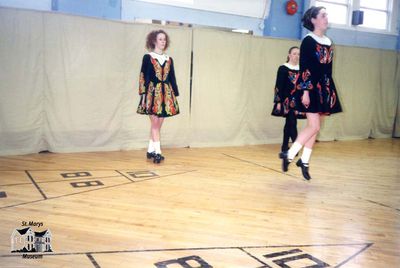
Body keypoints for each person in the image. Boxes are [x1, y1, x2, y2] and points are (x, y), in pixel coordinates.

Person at [281, 6, 342, 180]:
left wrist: (329, 91)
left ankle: (305, 160)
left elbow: (328, 69)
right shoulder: (308, 40)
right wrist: (306, 91)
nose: (326, 18)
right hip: (311, 88)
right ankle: (290, 154)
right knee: (314, 126)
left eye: (326, 15)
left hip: (324, 88)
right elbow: (305, 67)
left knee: (315, 127)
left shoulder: (329, 42)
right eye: (323, 15)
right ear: (313, 20)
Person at [137, 30, 180, 164]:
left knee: (157, 125)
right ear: (154, 41)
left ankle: (150, 150)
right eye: (160, 39)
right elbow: (143, 76)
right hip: (152, 94)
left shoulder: (169, 59)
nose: (163, 42)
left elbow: (172, 78)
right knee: (155, 124)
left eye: (164, 39)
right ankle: (157, 153)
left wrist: (174, 95)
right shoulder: (148, 57)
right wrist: (143, 95)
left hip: (166, 95)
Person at [271, 46, 305, 154]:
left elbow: (304, 85)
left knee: (289, 124)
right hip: (286, 100)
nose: (297, 56)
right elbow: (278, 86)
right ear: (289, 55)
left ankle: (285, 146)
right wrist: (278, 102)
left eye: (299, 54)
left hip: (298, 100)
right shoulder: (283, 68)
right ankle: (294, 148)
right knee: (292, 122)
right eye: (294, 53)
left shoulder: (302, 69)